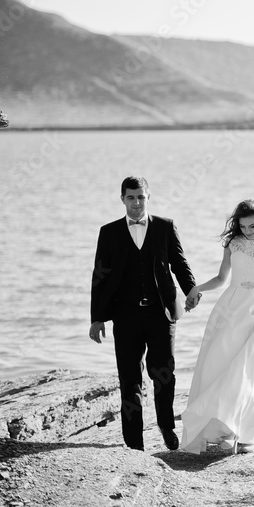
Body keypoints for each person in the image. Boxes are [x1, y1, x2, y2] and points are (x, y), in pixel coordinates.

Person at [89, 176, 197, 451]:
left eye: (141, 197)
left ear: (148, 197)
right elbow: (99, 276)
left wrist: (191, 290)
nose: (136, 203)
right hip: (125, 318)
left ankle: (166, 427)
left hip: (161, 315)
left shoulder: (165, 227)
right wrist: (97, 317)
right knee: (129, 379)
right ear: (122, 199)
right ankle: (134, 442)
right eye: (131, 197)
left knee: (164, 374)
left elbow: (179, 264)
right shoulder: (109, 232)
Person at [179, 199, 254, 454]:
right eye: (242, 226)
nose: (248, 231)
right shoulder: (233, 244)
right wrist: (197, 288)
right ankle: (221, 432)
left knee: (252, 371)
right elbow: (221, 279)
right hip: (232, 309)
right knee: (219, 367)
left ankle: (245, 433)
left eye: (252, 226)